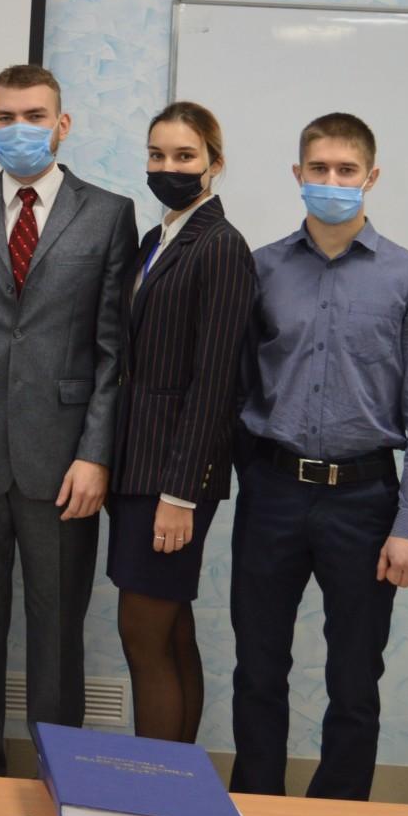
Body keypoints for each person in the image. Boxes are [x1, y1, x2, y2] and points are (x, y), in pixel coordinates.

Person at [230, 113, 408, 799]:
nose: (332, 181)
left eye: (346, 170)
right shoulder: (260, 268)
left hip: (365, 499)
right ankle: (257, 804)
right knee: (257, 670)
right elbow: (234, 385)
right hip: (272, 491)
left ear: (371, 177)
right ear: (297, 174)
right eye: (319, 169)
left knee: (355, 679)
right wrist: (248, 472)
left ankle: (338, 810)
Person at [0, 64, 133, 773]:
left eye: (35, 116)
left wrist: (96, 454)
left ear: (61, 124)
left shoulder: (108, 213)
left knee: (57, 631)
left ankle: (59, 772)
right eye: (6, 117)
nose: (21, 129)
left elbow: (114, 352)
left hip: (65, 460)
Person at [108, 101, 254, 745]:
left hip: (172, 478)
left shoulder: (221, 245)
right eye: (157, 155)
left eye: (185, 156)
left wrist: (180, 493)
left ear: (214, 164)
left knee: (142, 638)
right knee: (170, 633)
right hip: (137, 469)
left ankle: (152, 785)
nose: (168, 167)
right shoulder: (157, 238)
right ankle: (179, 780)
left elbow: (216, 381)